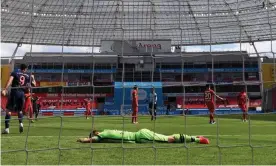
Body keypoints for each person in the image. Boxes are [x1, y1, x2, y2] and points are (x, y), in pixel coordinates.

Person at [1, 64, 36, 134]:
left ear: (20, 68)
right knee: (20, 110)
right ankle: (21, 124)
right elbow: (34, 85)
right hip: (22, 94)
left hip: (14, 92)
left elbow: (10, 81)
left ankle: (7, 129)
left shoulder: (15, 73)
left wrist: (5, 89)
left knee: (8, 110)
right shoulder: (28, 76)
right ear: (25, 69)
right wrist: (33, 78)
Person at [77, 128, 210, 144]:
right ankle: (194, 137)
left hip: (141, 137)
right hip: (140, 133)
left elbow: (91, 140)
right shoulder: (105, 132)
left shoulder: (102, 135)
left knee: (169, 140)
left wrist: (83, 140)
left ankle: (197, 139)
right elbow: (93, 139)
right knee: (167, 136)